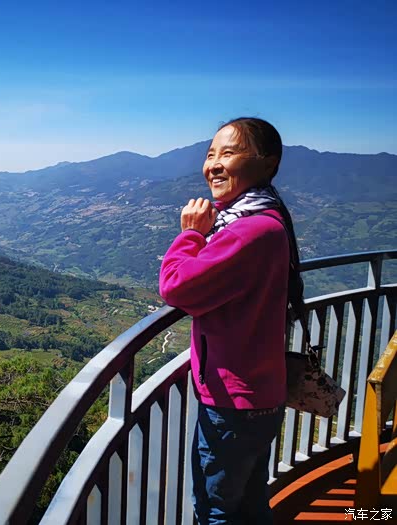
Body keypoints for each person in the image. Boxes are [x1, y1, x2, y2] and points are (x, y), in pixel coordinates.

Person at [159, 117, 304, 524]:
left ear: (267, 163)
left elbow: (176, 287)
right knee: (250, 503)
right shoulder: (267, 217)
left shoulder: (248, 231)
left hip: (233, 402)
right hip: (260, 393)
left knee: (215, 511)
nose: (214, 164)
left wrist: (191, 233)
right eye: (210, 154)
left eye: (229, 153)